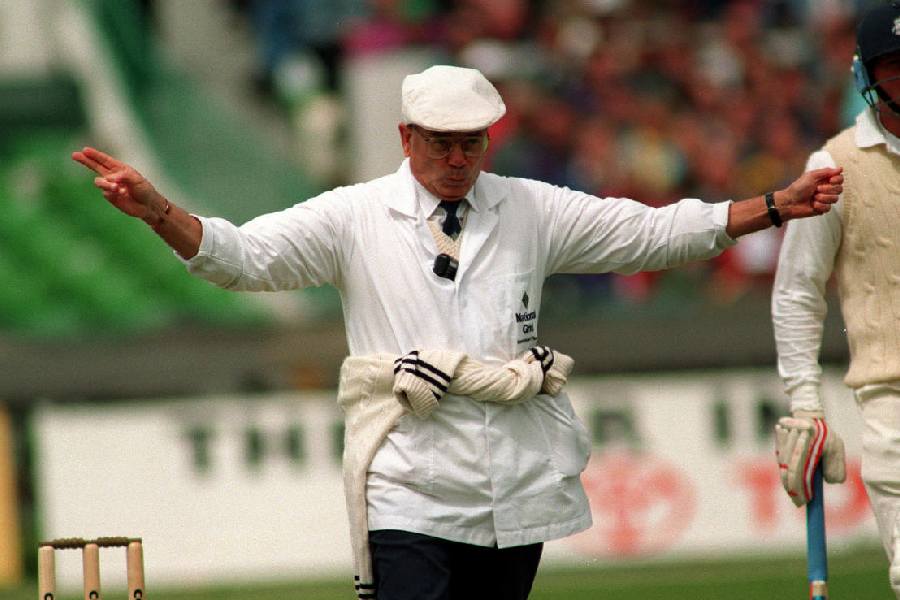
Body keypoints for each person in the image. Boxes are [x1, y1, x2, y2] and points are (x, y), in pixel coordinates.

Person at [74, 64, 842, 600]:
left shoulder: (530, 208)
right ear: (405, 136)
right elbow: (243, 258)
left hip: (512, 488)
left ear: (489, 141)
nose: (454, 157)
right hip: (407, 486)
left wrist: (772, 206)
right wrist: (159, 213)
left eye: (470, 142)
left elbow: (651, 232)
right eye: (439, 141)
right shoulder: (353, 215)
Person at [772, 3, 900, 597]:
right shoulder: (834, 166)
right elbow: (797, 292)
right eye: (895, 67)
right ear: (865, 76)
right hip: (893, 401)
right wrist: (807, 405)